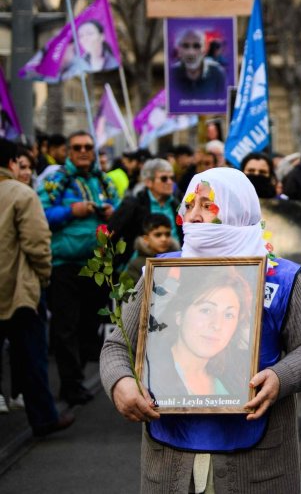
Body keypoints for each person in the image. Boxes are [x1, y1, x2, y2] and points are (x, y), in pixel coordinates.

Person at [101, 167, 301, 492]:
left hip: (257, 464)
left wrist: (281, 377)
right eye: (189, 206)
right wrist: (121, 383)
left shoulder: (279, 278)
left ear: (236, 211)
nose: (193, 217)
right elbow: (117, 346)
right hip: (169, 459)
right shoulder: (161, 273)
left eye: (206, 206)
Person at [38, 130, 120, 405]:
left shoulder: (103, 180)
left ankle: (79, 377)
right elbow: (41, 213)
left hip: (97, 264)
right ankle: (70, 384)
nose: (83, 151)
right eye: (77, 147)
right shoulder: (56, 180)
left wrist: (111, 211)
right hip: (65, 264)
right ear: (69, 152)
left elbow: (119, 208)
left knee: (90, 324)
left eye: (88, 147)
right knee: (65, 327)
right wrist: (73, 211)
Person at [0, 139, 75, 436]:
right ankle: (44, 418)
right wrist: (44, 275)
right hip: (20, 290)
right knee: (31, 355)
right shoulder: (21, 193)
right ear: (11, 163)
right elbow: (37, 244)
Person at [147, 272, 254, 397]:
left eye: (228, 315)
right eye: (206, 310)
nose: (217, 325)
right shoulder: (148, 376)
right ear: (179, 315)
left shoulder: (237, 384)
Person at [108, 158, 182, 266]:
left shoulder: (179, 204)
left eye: (172, 178)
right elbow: (111, 234)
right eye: (164, 178)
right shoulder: (132, 205)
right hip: (140, 268)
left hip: (176, 266)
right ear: (148, 182)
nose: (170, 182)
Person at [170, 28, 227, 98]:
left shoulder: (217, 73)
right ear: (178, 50)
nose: (191, 52)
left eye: (197, 46)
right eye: (185, 46)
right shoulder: (171, 74)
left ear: (205, 50)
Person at [125, 214, 179, 282]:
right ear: (146, 239)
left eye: (167, 234)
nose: (164, 239)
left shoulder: (179, 260)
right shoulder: (136, 265)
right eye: (158, 235)